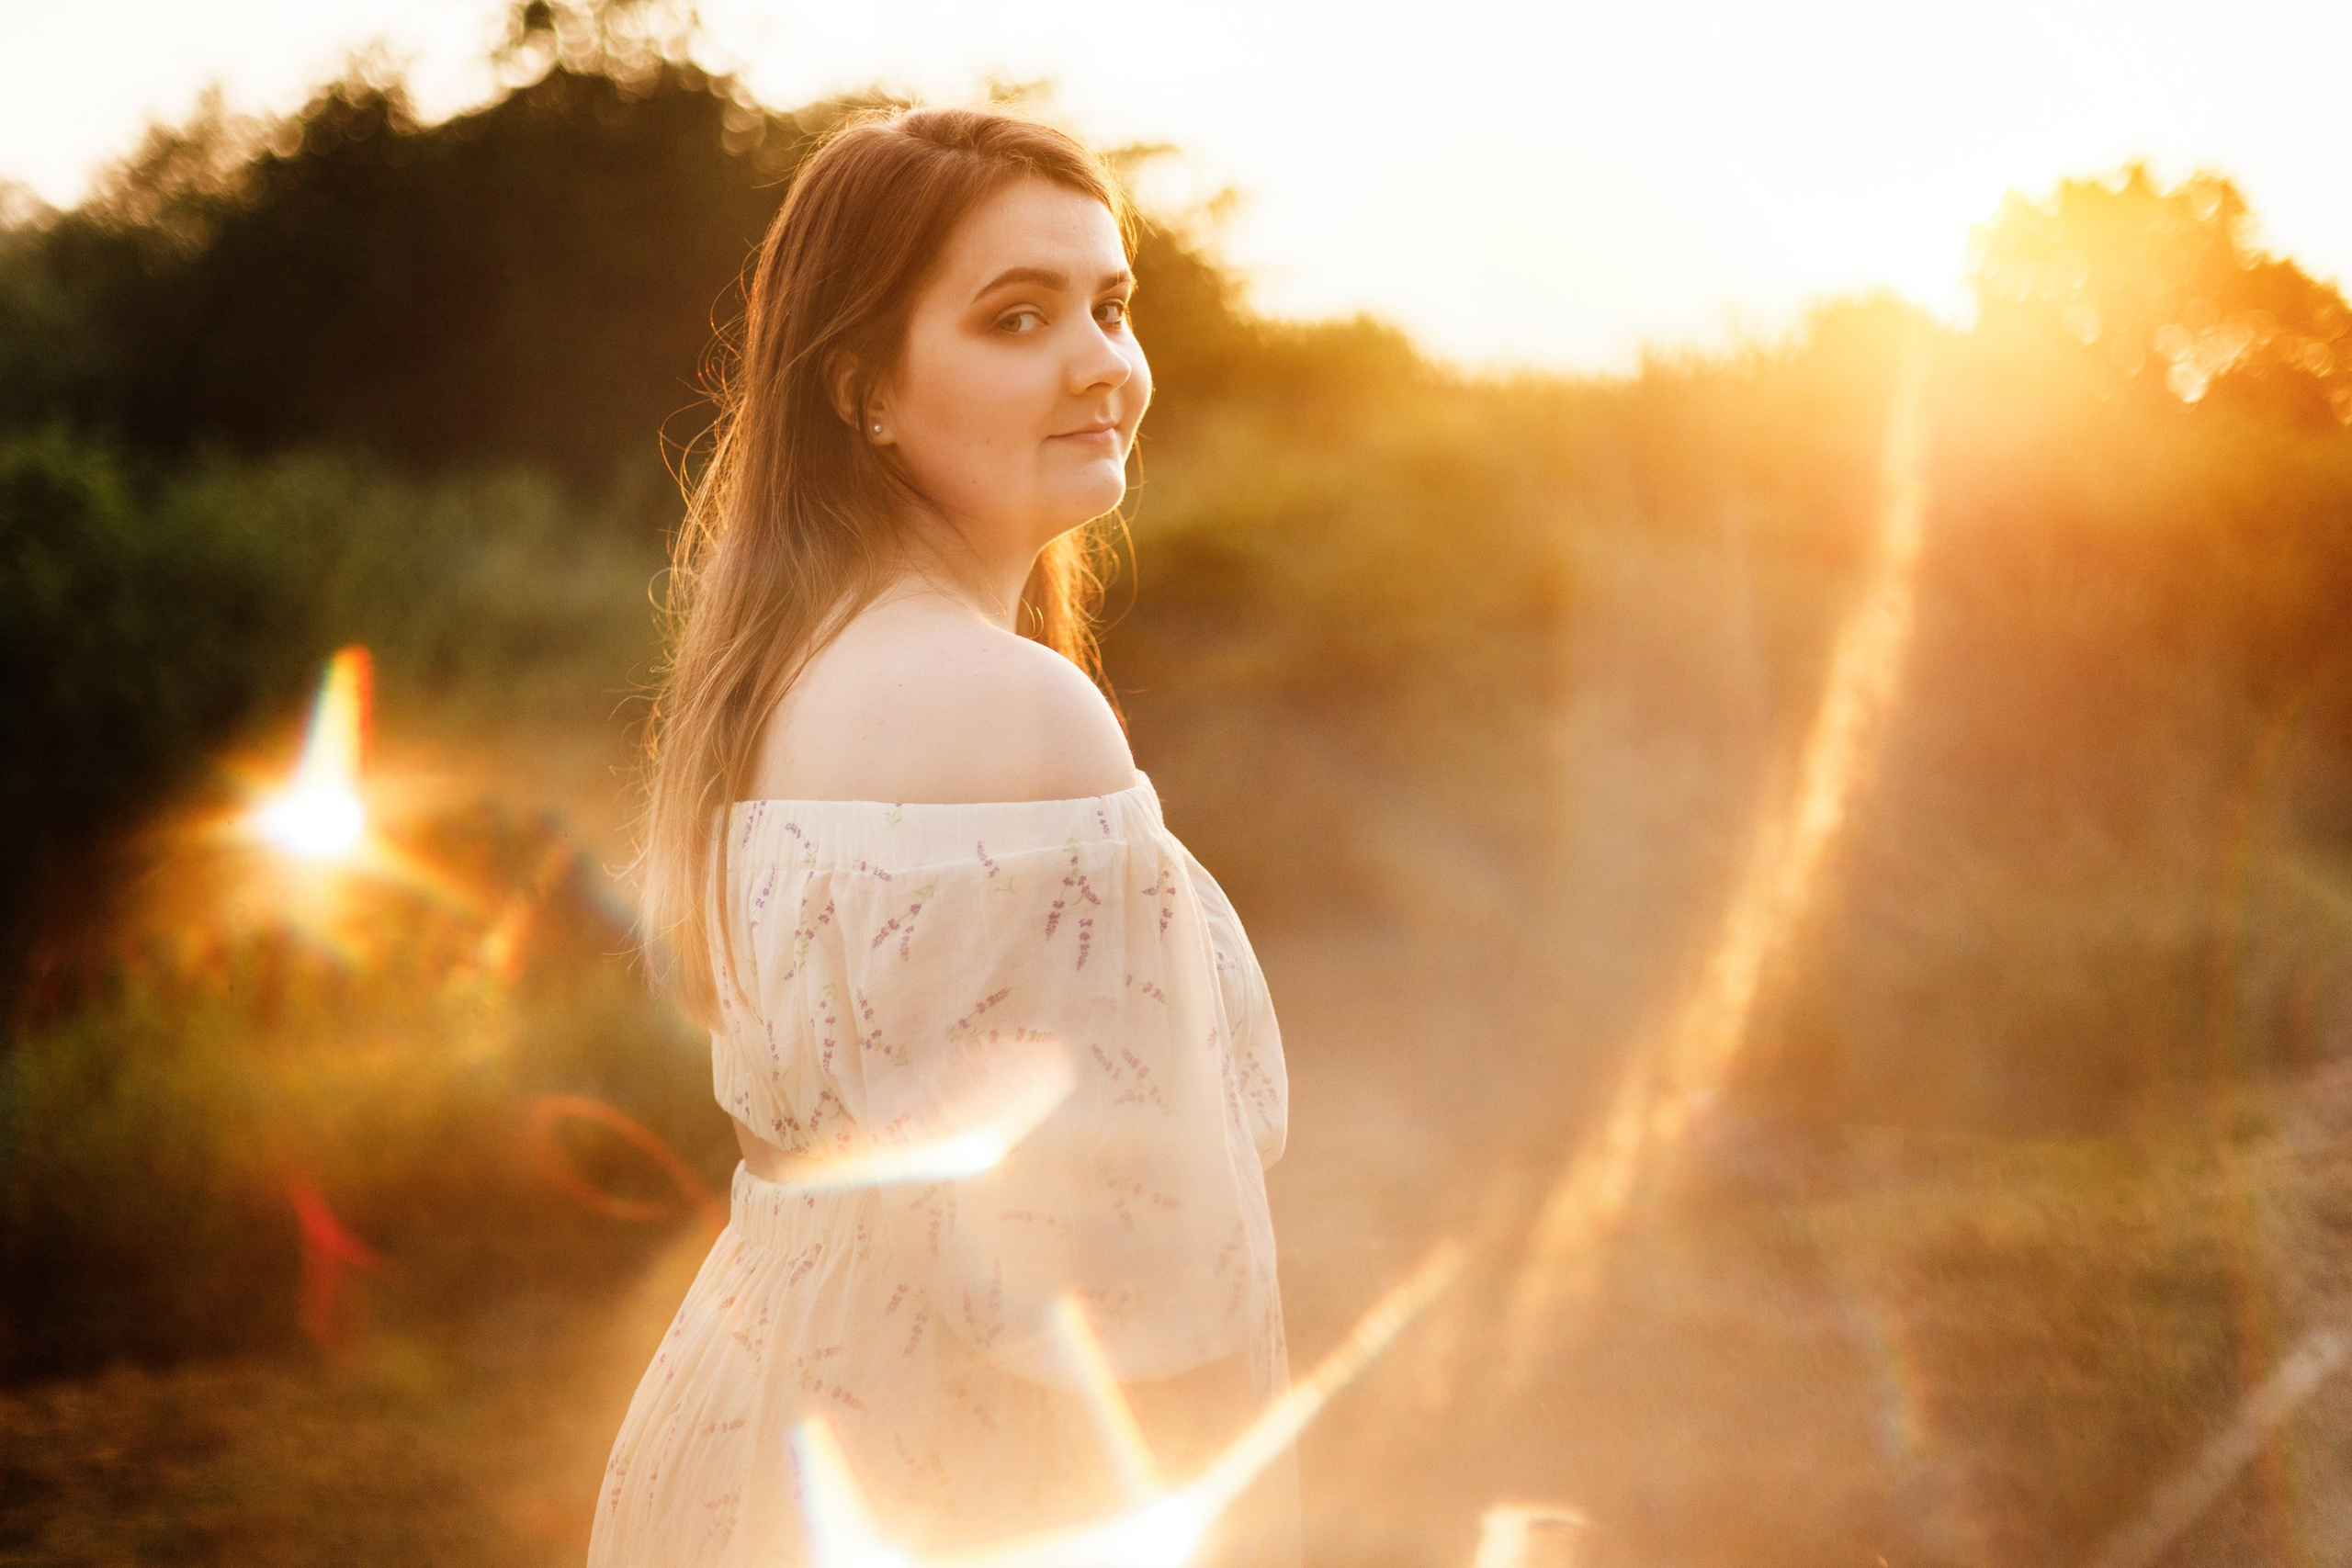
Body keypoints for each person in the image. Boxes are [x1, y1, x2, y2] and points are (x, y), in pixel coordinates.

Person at [588, 105, 1293, 1567]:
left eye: (1110, 305)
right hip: (953, 1487)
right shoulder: (1010, 712)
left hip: (744, 1445)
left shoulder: (771, 683)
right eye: (1017, 318)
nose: (1101, 360)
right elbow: (1136, 1306)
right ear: (864, 394)